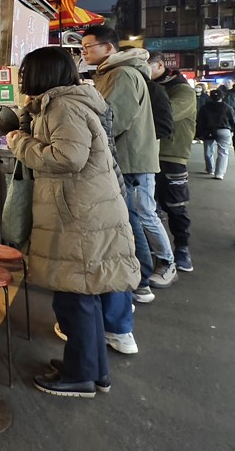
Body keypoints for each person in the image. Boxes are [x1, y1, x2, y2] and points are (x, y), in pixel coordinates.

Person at [7, 47, 138, 398]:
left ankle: (80, 376)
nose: (22, 79)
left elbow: (67, 157)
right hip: (85, 212)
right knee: (83, 297)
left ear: (42, 73)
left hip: (78, 217)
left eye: (26, 73)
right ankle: (93, 370)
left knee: (75, 299)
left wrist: (19, 141)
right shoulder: (69, 102)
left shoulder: (63, 106)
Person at [81, 25, 168, 350]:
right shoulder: (112, 73)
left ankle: (140, 281)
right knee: (127, 223)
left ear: (107, 47)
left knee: (127, 224)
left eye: (88, 47)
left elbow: (112, 119)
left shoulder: (122, 75)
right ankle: (133, 286)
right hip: (124, 160)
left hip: (129, 161)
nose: (85, 53)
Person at [147, 52, 197, 273]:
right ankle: (158, 250)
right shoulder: (147, 85)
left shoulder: (182, 90)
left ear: (159, 65)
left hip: (171, 155)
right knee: (150, 207)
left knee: (175, 206)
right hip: (147, 154)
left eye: (145, 65)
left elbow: (167, 114)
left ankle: (182, 249)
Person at [198, 89, 235, 180]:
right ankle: (219, 173)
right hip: (224, 131)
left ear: (210, 97)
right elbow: (232, 120)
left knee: (208, 151)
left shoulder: (204, 107)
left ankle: (210, 169)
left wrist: (199, 133)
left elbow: (199, 121)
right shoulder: (227, 107)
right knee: (223, 152)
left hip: (208, 131)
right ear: (222, 97)